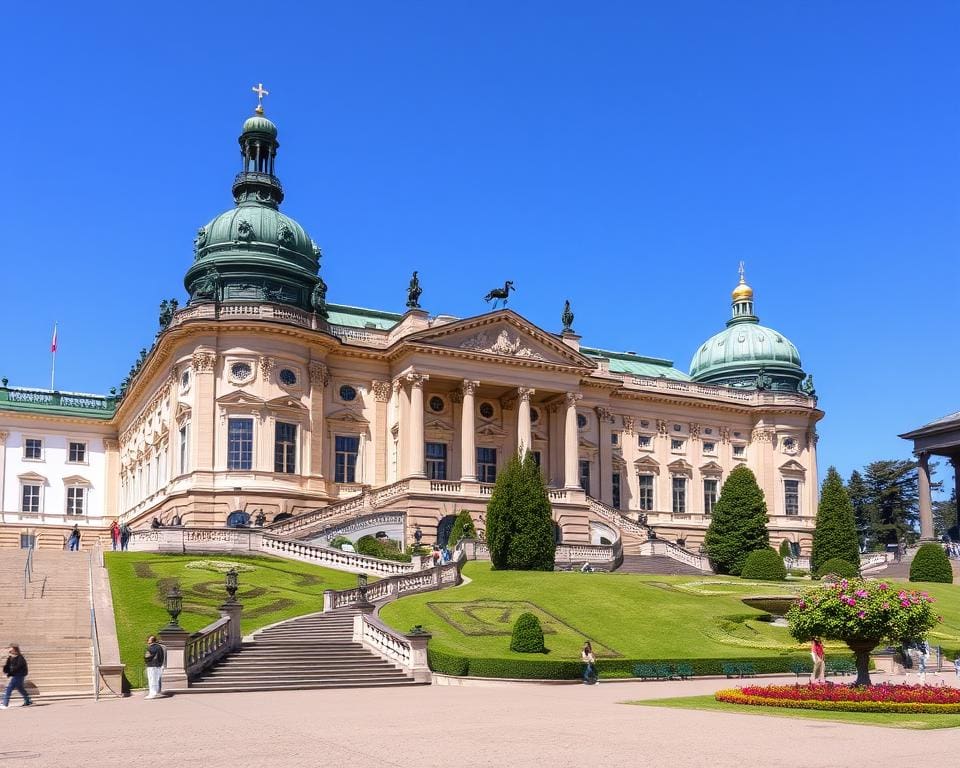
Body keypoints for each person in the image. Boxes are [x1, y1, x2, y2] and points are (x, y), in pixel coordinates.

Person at [144, 635, 166, 699]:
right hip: (158, 665)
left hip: (152, 665)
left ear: (151, 641)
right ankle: (156, 692)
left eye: (148, 639)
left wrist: (146, 660)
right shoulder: (160, 647)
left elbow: (147, 657)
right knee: (156, 680)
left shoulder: (151, 648)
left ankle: (152, 693)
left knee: (151, 680)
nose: (147, 640)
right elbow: (162, 657)